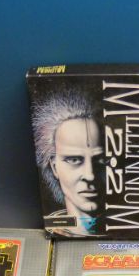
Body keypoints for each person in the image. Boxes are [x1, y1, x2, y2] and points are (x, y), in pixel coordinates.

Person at [32, 88, 105, 236]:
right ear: (54, 168)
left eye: (99, 160)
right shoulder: (53, 229)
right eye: (74, 160)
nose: (90, 175)